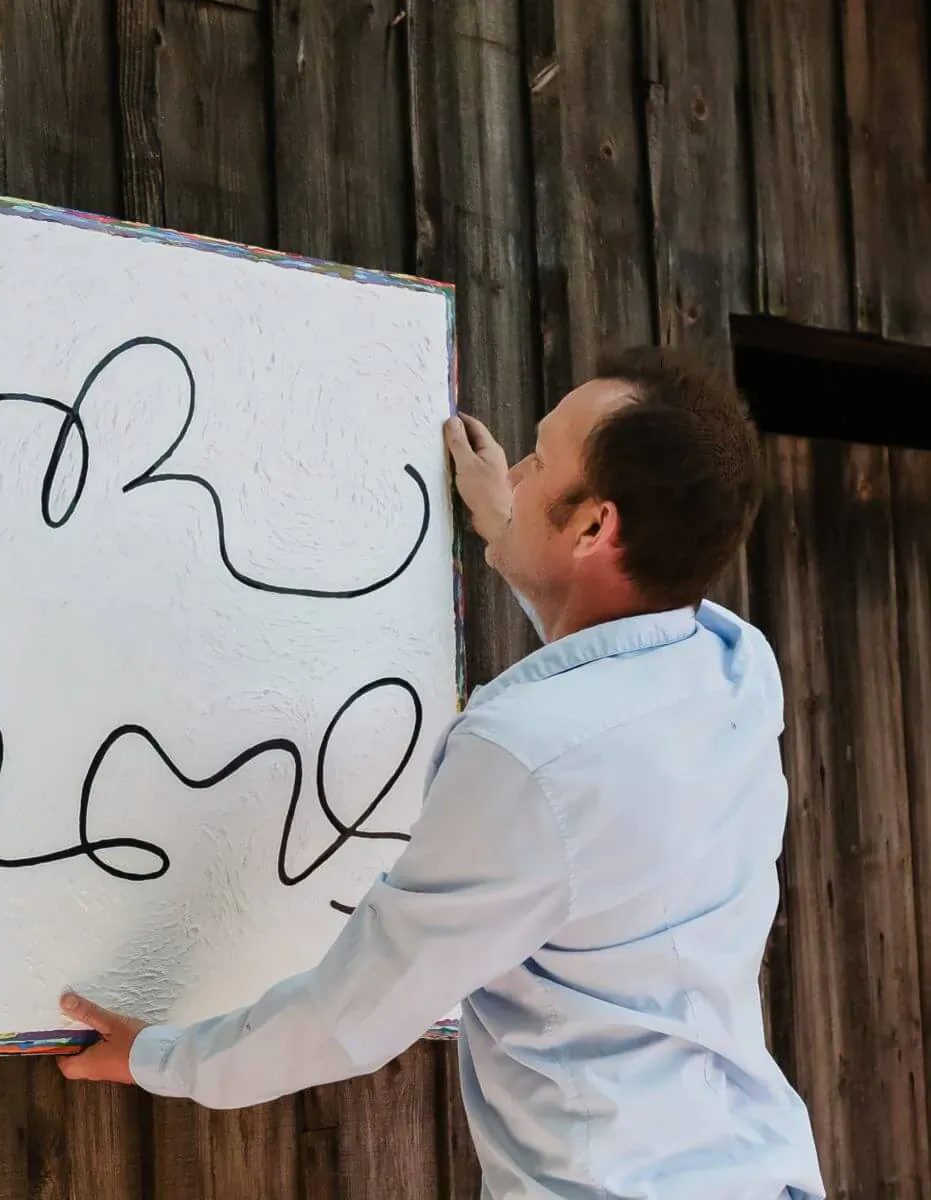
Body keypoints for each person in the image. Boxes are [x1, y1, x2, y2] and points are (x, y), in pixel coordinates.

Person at [54, 348, 826, 1200]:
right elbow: (603, 664)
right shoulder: (733, 665)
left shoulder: (524, 759)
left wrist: (160, 1058)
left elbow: (352, 1016)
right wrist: (510, 524)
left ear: (594, 528)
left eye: (539, 458)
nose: (520, 468)